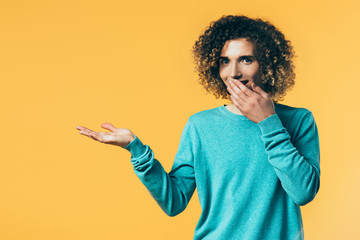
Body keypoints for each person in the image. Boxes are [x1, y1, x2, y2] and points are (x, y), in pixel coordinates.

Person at [76, 15, 320, 240]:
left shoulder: (298, 120)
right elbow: (174, 201)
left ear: (266, 63)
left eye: (246, 59)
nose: (234, 73)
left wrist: (268, 121)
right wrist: (136, 150)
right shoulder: (200, 126)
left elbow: (303, 192)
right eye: (225, 62)